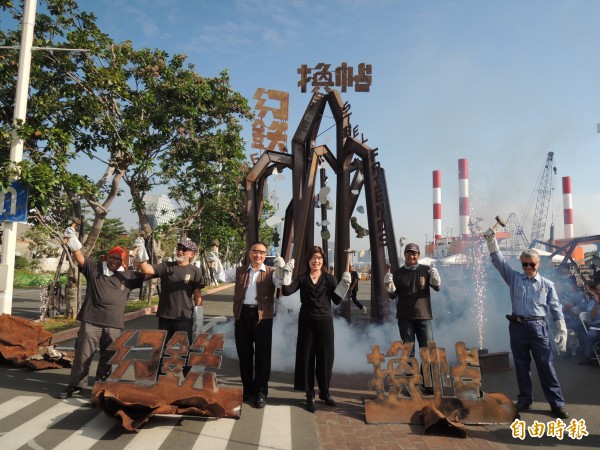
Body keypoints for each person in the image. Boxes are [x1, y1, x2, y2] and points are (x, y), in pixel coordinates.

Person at [484, 228, 569, 419]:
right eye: (525, 264)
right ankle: (525, 399)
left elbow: (556, 308)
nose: (528, 267)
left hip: (538, 327)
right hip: (518, 326)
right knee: (521, 364)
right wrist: (492, 242)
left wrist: (562, 329)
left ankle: (557, 403)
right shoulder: (514, 278)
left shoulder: (547, 284)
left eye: (532, 264)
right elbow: (500, 263)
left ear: (538, 264)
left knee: (546, 365)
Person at [58, 228, 145, 399]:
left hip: (114, 323)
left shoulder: (127, 276)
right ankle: (75, 386)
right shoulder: (95, 268)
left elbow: (149, 274)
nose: (114, 261)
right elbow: (80, 258)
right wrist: (73, 240)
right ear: (107, 257)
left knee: (109, 356)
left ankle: (102, 386)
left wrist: (142, 252)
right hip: (91, 320)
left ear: (123, 261)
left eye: (118, 259)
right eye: (112, 257)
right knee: (83, 354)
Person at [214, 241, 283, 408]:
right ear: (249, 253)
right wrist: (215, 263)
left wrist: (282, 271)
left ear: (265, 255)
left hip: (262, 317)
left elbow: (281, 284)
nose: (258, 255)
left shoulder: (271, 273)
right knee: (244, 355)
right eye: (255, 251)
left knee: (262, 356)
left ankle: (261, 392)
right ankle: (248, 390)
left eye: (261, 252)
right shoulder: (240, 271)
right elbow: (220, 277)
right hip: (242, 315)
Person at [281, 246, 350, 412]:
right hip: (306, 322)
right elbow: (287, 291)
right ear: (308, 261)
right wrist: (285, 275)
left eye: (319, 258)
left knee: (326, 358)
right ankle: (310, 394)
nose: (316, 261)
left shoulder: (329, 278)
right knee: (307, 357)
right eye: (313, 258)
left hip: (325, 320)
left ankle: (324, 392)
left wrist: (344, 285)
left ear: (323, 260)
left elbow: (336, 300)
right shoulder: (302, 278)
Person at [135, 237, 204, 344]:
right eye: (179, 248)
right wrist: (140, 251)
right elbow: (146, 269)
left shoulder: (195, 271)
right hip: (165, 316)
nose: (180, 251)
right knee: (162, 348)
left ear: (191, 254)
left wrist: (198, 316)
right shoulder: (165, 266)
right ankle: (162, 361)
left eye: (184, 249)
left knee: (184, 348)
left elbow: (197, 294)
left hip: (184, 317)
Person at [384, 243, 441, 358]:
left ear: (418, 255)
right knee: (408, 351)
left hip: (423, 316)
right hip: (405, 317)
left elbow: (437, 288)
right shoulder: (398, 273)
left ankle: (426, 375)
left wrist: (436, 279)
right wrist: (388, 286)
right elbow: (392, 296)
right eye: (409, 253)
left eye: (414, 254)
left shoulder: (426, 270)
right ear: (405, 255)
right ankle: (411, 375)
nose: (411, 256)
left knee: (428, 350)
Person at [578, 282, 600, 366]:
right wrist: (597, 303)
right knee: (589, 336)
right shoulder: (592, 302)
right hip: (596, 328)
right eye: (597, 290)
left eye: (599, 290)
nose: (598, 292)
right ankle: (587, 358)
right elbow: (592, 317)